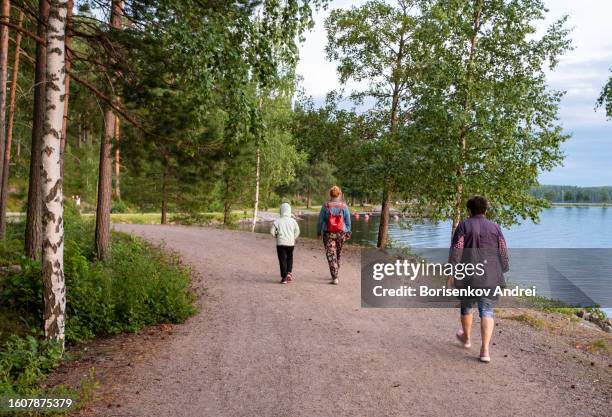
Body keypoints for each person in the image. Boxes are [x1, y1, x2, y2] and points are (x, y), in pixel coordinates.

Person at [449, 196, 509, 363]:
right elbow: (503, 251)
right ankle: (485, 351)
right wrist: (503, 268)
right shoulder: (495, 227)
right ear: (486, 210)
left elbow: (457, 251)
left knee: (467, 306)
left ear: (469, 211)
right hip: (490, 275)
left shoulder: (463, 225)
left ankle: (467, 339)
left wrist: (451, 272)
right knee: (487, 310)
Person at [317, 186, 352, 285]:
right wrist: (348, 232)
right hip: (341, 233)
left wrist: (318, 232)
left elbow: (320, 221)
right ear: (339, 194)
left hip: (328, 233)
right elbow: (348, 221)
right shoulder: (344, 206)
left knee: (331, 254)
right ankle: (336, 272)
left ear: (330, 194)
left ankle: (335, 276)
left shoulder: (326, 206)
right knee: (338, 253)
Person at [270, 203, 300, 284]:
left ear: (281, 211)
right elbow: (297, 231)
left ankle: (284, 278)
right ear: (289, 211)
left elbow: (272, 232)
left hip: (281, 243)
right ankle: (289, 273)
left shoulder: (277, 221)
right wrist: (293, 238)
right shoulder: (293, 221)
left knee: (282, 259)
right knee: (290, 258)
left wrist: (277, 236)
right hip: (291, 243)